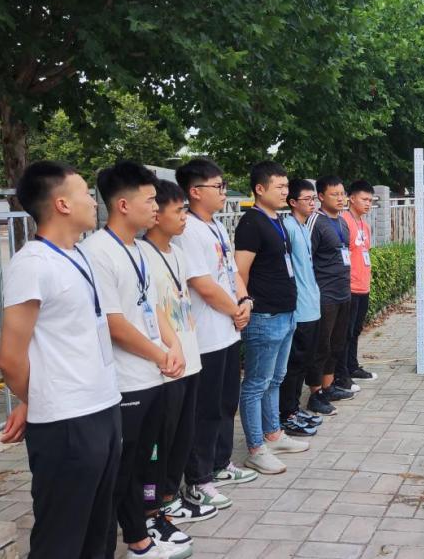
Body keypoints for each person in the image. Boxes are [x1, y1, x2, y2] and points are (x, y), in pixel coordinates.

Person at [0, 161, 122, 559]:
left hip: (103, 407)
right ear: (62, 204)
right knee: (62, 537)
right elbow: (10, 359)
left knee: (99, 532)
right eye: (85, 193)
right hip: (67, 423)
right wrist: (37, 400)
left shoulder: (77, 254)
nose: (93, 201)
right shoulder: (33, 264)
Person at [81, 160, 190, 559]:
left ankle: (145, 526)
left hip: (152, 374)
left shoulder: (138, 249)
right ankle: (136, 542)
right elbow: (114, 323)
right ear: (123, 205)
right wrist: (161, 353)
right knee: (125, 466)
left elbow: (151, 305)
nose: (156, 208)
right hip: (126, 381)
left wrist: (173, 346)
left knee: (147, 460)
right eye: (149, 200)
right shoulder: (97, 252)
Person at [173, 158, 257, 510]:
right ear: (195, 191)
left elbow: (232, 271)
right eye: (218, 186)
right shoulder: (187, 230)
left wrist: (245, 301)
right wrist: (235, 310)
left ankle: (221, 464)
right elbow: (203, 285)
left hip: (228, 331)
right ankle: (198, 479)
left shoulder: (217, 226)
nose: (224, 192)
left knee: (225, 403)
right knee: (204, 410)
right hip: (206, 336)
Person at [142, 179, 218, 546]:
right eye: (178, 210)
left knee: (181, 439)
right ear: (156, 215)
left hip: (190, 360)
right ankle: (151, 510)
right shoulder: (142, 256)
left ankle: (170, 499)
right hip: (165, 368)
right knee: (161, 444)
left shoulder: (177, 253)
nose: (184, 216)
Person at [234, 161, 309, 475]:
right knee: (256, 384)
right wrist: (244, 302)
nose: (284, 191)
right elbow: (240, 271)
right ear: (259, 188)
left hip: (285, 313)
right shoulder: (251, 223)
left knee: (276, 379)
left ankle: (273, 434)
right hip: (264, 316)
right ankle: (255, 448)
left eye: (286, 186)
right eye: (279, 186)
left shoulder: (276, 219)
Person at [279, 179, 332, 425]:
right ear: (292, 202)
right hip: (300, 308)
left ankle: (294, 407)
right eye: (307, 199)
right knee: (295, 364)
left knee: (305, 361)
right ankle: (287, 412)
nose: (313, 203)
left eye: (313, 199)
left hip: (312, 304)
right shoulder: (288, 227)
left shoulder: (303, 226)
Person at [308, 176, 357, 403]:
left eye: (342, 193)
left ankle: (328, 387)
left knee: (337, 344)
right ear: (320, 196)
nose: (340, 198)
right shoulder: (316, 222)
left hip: (343, 292)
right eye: (334, 194)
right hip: (324, 294)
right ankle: (315, 393)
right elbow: (306, 260)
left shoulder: (342, 222)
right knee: (322, 346)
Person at [342, 179, 378, 382]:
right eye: (364, 199)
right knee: (345, 332)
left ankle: (352, 366)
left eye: (370, 200)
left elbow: (365, 253)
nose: (368, 204)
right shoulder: (343, 222)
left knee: (356, 330)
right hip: (348, 287)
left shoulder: (365, 225)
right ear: (351, 198)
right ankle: (341, 373)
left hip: (363, 286)